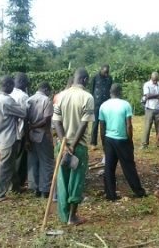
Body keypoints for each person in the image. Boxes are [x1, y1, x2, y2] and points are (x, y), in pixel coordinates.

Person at [52, 68, 94, 225]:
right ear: (84, 80)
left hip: (61, 145)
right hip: (79, 146)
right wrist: (72, 146)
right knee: (76, 181)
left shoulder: (60, 96)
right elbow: (84, 124)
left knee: (63, 180)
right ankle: (72, 216)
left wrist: (64, 145)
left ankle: (64, 216)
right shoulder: (87, 97)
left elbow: (56, 121)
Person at [99, 83, 146, 201]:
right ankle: (138, 191)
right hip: (122, 140)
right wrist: (130, 141)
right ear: (120, 92)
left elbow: (102, 126)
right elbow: (129, 125)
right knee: (129, 166)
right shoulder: (125, 105)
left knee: (109, 168)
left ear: (110, 92)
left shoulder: (103, 105)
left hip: (109, 139)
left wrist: (104, 143)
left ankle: (110, 194)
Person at [0, 75, 27, 201]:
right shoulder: (7, 100)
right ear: (7, 85)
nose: (13, 87)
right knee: (6, 166)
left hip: (0, 135)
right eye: (12, 84)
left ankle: (16, 187)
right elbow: (23, 113)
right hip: (8, 137)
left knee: (11, 163)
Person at [26, 82, 54, 198]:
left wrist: (29, 129)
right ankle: (45, 190)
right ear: (46, 89)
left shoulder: (29, 100)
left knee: (33, 161)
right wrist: (35, 126)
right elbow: (46, 120)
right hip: (42, 135)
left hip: (31, 135)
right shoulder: (46, 100)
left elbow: (24, 119)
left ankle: (34, 188)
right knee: (46, 162)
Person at [10, 72, 29, 188]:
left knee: (10, 158)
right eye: (26, 83)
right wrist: (27, 136)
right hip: (19, 131)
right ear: (22, 82)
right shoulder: (23, 96)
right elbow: (26, 117)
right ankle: (18, 184)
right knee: (20, 159)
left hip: (7, 132)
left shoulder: (8, 93)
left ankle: (10, 182)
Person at [141, 71, 159, 149]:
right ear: (151, 78)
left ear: (158, 78)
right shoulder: (147, 84)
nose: (155, 81)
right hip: (149, 108)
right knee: (147, 127)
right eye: (154, 80)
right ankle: (144, 144)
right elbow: (147, 95)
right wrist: (158, 95)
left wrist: (152, 95)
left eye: (156, 80)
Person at [90, 64, 113, 150]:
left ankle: (105, 143)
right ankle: (93, 143)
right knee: (95, 124)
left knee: (105, 124)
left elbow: (111, 90)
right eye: (105, 72)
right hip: (97, 104)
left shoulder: (110, 78)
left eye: (108, 72)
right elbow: (91, 90)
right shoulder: (95, 77)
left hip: (106, 104)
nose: (106, 74)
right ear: (101, 70)